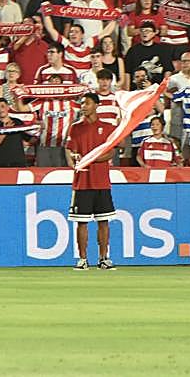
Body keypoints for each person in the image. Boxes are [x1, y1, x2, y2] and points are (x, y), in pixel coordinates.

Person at [66, 93, 117, 270]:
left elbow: (112, 152)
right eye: (82, 103)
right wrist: (73, 161)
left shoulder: (108, 127)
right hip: (82, 182)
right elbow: (69, 150)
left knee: (103, 221)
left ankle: (104, 258)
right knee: (81, 221)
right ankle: (82, 259)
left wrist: (92, 159)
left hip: (101, 181)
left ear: (96, 105)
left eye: (87, 103)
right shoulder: (75, 128)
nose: (83, 106)